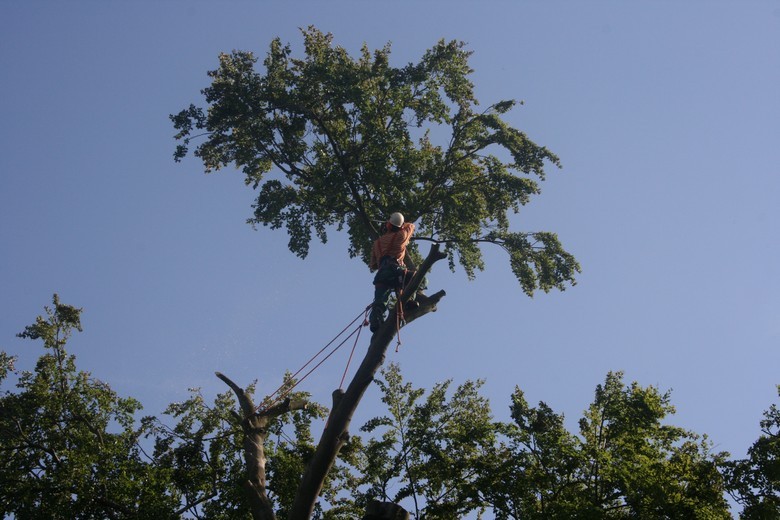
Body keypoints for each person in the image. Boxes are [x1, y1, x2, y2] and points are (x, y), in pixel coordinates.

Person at [368, 212, 416, 333]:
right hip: (396, 270)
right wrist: (402, 225)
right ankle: (408, 300)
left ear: (388, 226)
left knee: (380, 301)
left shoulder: (377, 243)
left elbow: (373, 265)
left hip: (382, 274)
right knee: (416, 278)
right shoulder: (401, 235)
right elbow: (411, 226)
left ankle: (376, 321)